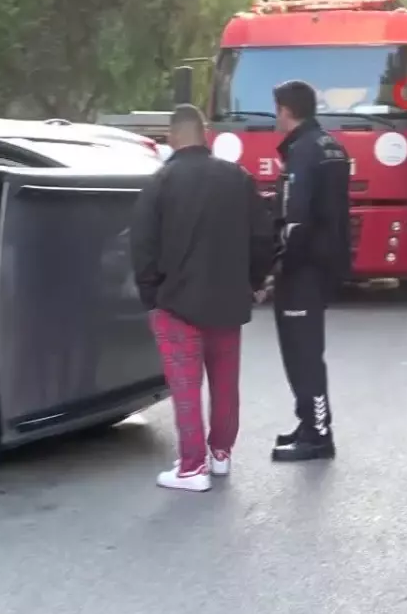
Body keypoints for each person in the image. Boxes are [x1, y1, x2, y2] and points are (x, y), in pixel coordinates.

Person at [130, 104, 275, 491]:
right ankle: (221, 455)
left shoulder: (159, 182)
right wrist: (255, 280)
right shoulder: (237, 179)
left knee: (186, 386)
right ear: (206, 133)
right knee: (225, 383)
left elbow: (142, 246)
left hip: (176, 303)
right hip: (228, 301)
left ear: (174, 137)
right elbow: (263, 236)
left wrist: (151, 295)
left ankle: (192, 468)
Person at [263, 80, 351, 463]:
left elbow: (296, 220)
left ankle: (318, 434)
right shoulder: (331, 146)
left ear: (286, 110)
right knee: (305, 351)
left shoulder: (302, 152)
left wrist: (276, 264)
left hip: (303, 268)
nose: (275, 117)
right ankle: (308, 423)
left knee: (303, 354)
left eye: (276, 109)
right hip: (324, 263)